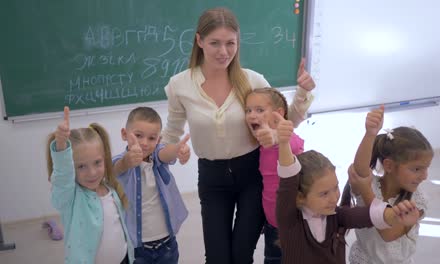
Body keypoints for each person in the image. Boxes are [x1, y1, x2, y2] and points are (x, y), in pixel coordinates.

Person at [161, 7, 316, 263]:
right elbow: (171, 135)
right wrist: (170, 152)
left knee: (242, 255)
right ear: (199, 41)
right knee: (218, 257)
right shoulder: (180, 85)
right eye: (215, 43)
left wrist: (302, 93)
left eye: (230, 43)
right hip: (212, 179)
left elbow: (285, 123)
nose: (224, 52)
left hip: (252, 176)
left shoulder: (252, 80)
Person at [274, 111, 420, 264]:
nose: (333, 198)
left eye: (335, 188)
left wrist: (396, 214)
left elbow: (368, 215)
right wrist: (284, 144)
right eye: (324, 194)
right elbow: (288, 180)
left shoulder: (336, 215)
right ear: (300, 197)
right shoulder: (289, 219)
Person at [342, 106, 433, 264]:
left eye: (426, 168)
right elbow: (359, 170)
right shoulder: (370, 185)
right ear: (389, 165)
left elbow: (388, 234)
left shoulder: (416, 201)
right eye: (417, 169)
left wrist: (366, 192)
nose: (425, 176)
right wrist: (370, 134)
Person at [46, 106, 134, 264]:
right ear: (71, 169)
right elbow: (63, 178)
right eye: (81, 166)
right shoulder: (71, 198)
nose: (92, 173)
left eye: (97, 163)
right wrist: (61, 148)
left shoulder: (111, 189)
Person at [112, 106, 190, 264]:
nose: (144, 143)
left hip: (167, 244)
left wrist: (178, 150)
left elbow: (166, 153)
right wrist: (128, 160)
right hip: (138, 248)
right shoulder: (122, 161)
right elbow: (115, 168)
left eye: (152, 138)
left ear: (158, 140)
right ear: (124, 134)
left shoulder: (157, 157)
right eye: (138, 136)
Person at [245, 87, 304, 264]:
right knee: (272, 259)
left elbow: (294, 143)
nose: (252, 115)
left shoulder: (287, 140)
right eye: (248, 110)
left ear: (278, 113)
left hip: (293, 225)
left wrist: (277, 137)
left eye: (260, 110)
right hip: (272, 224)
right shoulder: (261, 144)